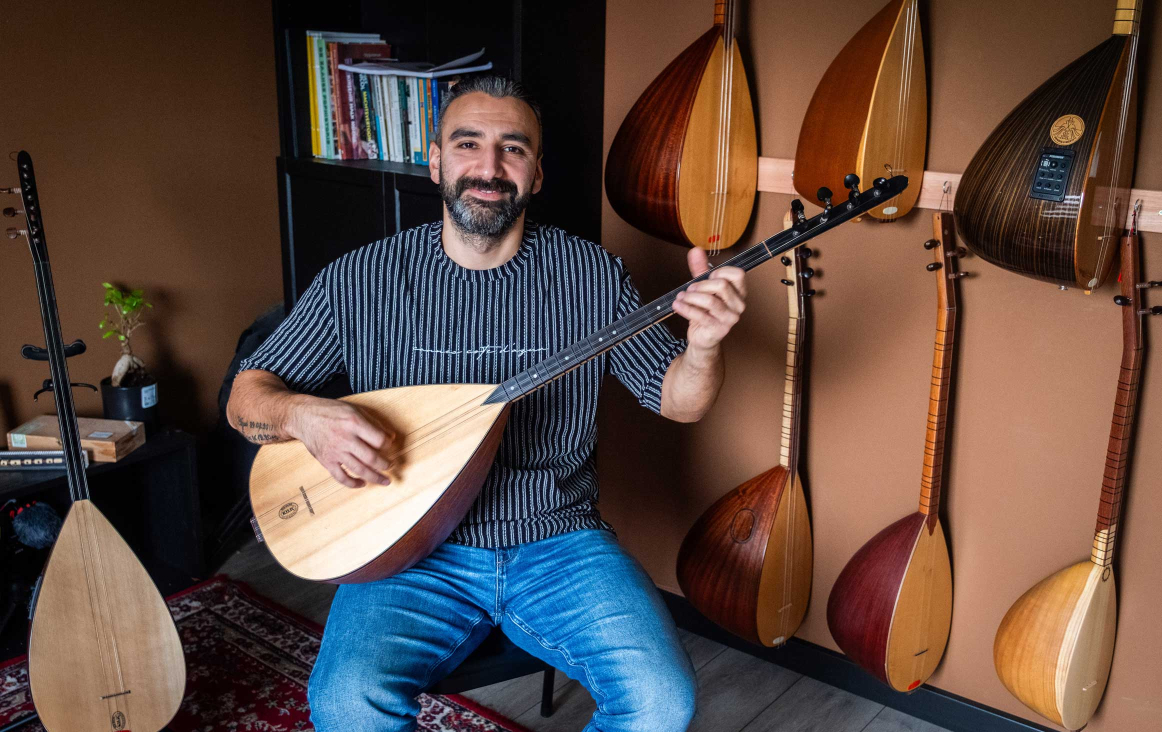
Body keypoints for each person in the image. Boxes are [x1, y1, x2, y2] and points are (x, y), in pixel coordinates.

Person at [227, 75, 747, 732]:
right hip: (407, 548)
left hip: (557, 541)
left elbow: (678, 401)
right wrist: (303, 416)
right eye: (468, 144)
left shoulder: (591, 276)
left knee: (660, 699)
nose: (489, 167)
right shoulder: (360, 278)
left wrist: (702, 347)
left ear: (536, 175)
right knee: (344, 703)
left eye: (514, 148)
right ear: (436, 161)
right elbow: (248, 396)